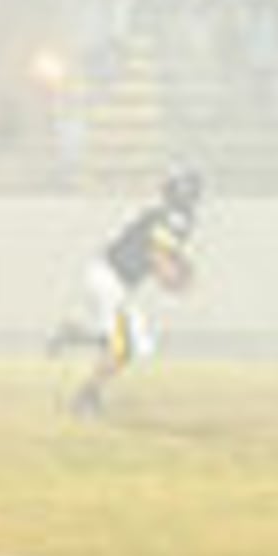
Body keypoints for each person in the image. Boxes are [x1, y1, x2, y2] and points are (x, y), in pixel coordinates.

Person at [61, 168, 200, 419]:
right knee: (126, 347)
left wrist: (174, 273)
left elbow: (156, 252)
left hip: (107, 276)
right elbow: (158, 256)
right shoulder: (173, 218)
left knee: (139, 344)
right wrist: (175, 281)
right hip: (111, 280)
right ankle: (85, 398)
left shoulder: (161, 213)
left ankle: (78, 336)